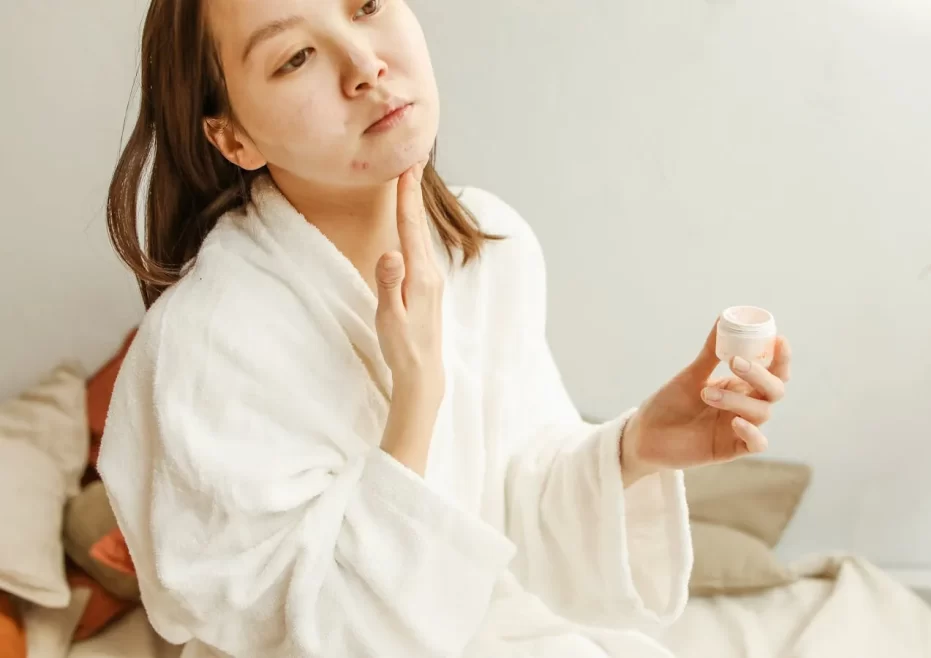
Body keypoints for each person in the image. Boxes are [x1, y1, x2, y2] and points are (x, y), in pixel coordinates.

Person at [98, 1, 793, 656]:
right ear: (233, 136)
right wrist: (415, 401)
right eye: (296, 56)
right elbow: (305, 639)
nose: (364, 65)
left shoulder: (490, 244)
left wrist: (636, 448)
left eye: (367, 4)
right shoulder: (206, 342)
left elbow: (511, 509)